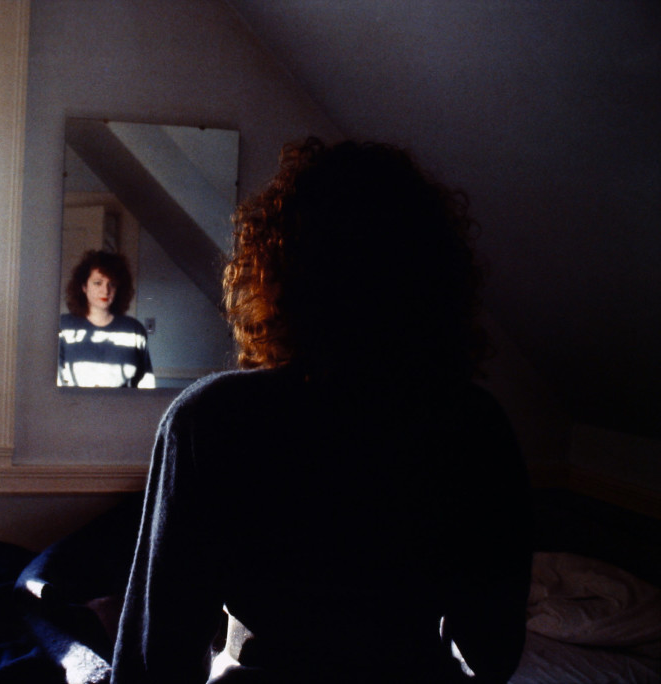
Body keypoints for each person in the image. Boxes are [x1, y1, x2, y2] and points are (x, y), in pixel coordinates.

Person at [110, 139, 531, 683]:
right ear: (434, 276)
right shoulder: (476, 427)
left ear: (279, 271)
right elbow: (494, 649)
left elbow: (158, 652)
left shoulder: (211, 421)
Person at [59, 249, 155, 388]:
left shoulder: (134, 330)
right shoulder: (64, 327)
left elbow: (145, 384)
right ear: (84, 286)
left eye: (112, 284)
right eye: (98, 283)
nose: (105, 290)